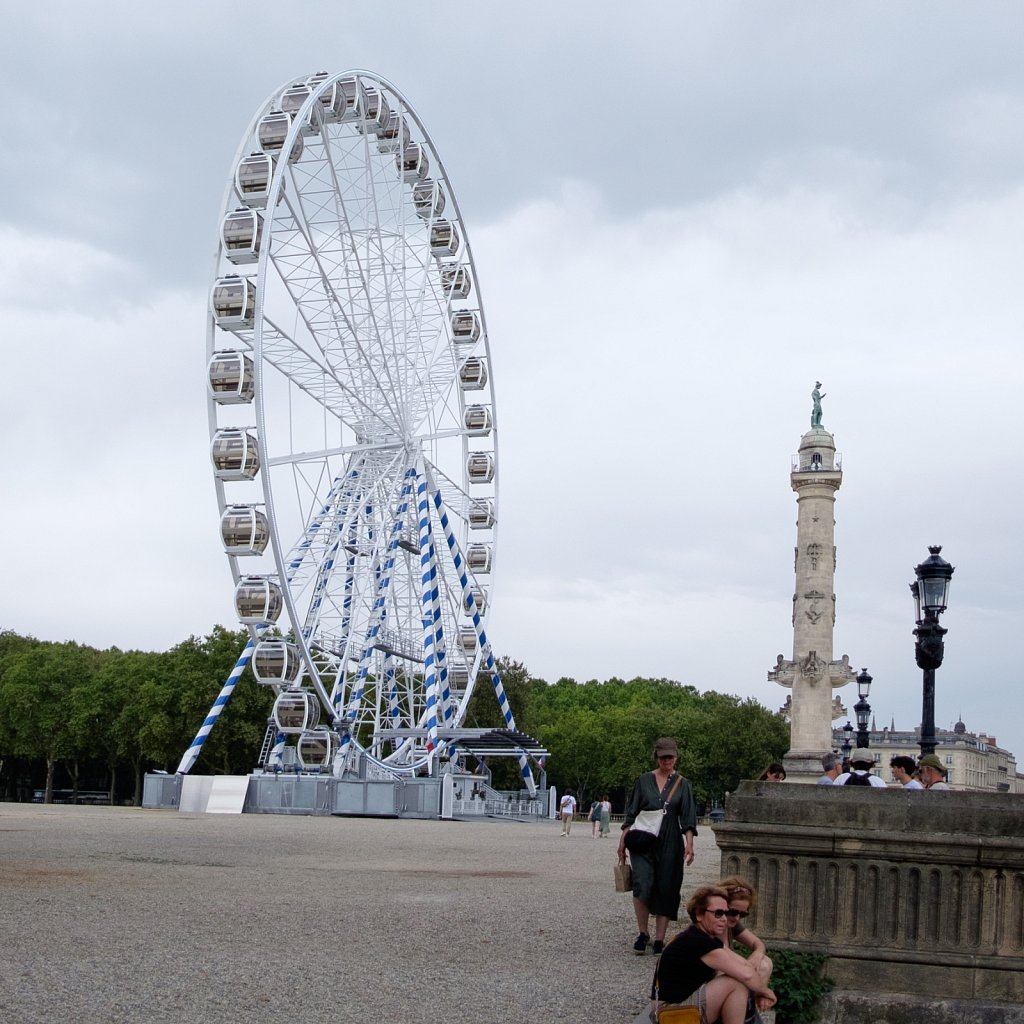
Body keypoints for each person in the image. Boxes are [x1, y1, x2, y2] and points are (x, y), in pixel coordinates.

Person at [647, 885, 776, 1024]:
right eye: (718, 913)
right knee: (734, 983)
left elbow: (743, 964)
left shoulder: (703, 937)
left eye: (726, 913)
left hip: (679, 1007)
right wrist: (766, 992)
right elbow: (746, 974)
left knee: (735, 977)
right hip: (668, 1013)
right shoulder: (698, 941)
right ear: (699, 914)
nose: (724, 919)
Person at [618, 737, 697, 955]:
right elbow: (632, 812)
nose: (666, 761)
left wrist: (689, 843)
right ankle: (643, 933)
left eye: (670, 757)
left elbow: (688, 817)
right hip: (643, 838)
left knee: (667, 886)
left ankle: (660, 939)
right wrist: (623, 840)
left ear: (676, 757)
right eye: (663, 757)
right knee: (641, 882)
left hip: (671, 839)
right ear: (656, 757)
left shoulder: (683, 784)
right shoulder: (643, 781)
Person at [718, 877, 773, 993]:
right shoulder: (711, 927)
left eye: (743, 914)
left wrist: (757, 954)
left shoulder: (730, 925)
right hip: (706, 985)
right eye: (733, 912)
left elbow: (757, 943)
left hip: (725, 977)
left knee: (764, 963)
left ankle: (752, 1006)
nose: (737, 918)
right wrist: (765, 992)